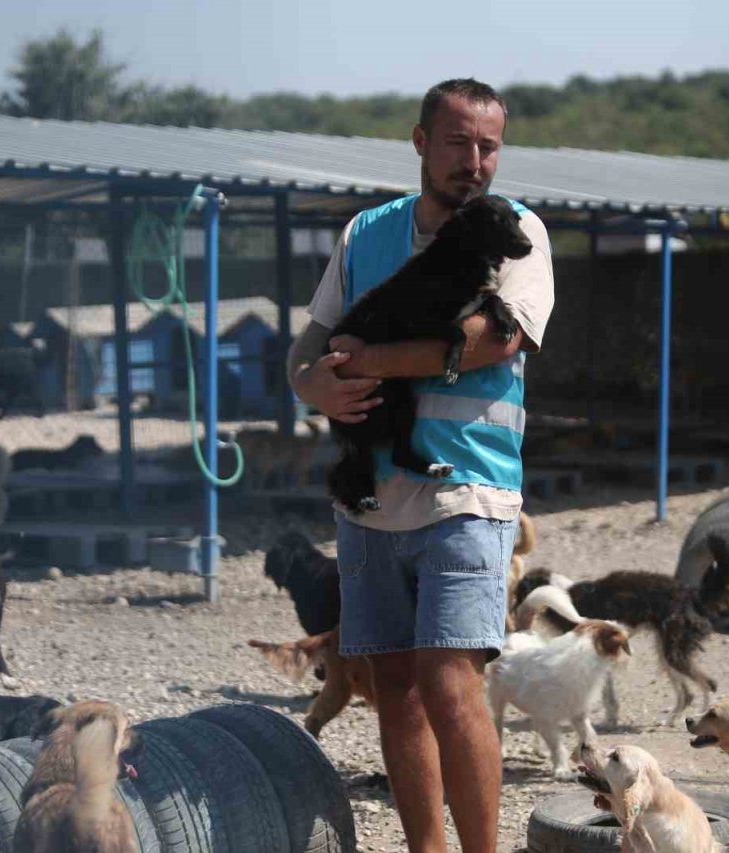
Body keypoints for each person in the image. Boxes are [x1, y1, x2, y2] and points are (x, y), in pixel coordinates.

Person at [286, 78, 554, 853]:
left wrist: (366, 358)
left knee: (447, 679)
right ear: (420, 143)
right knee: (394, 689)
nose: (475, 161)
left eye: (489, 146)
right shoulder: (367, 233)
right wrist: (312, 383)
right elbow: (309, 346)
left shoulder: (518, 231)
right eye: (458, 143)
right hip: (373, 496)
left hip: (468, 488)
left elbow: (492, 340)